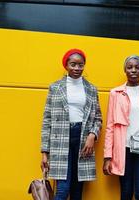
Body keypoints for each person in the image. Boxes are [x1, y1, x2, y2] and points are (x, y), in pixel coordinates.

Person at [41, 49, 102, 200]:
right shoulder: (55, 87)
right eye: (73, 64)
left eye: (80, 65)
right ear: (66, 65)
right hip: (60, 139)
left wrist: (92, 135)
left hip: (82, 139)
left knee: (77, 190)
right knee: (62, 189)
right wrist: (44, 152)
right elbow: (47, 119)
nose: (77, 68)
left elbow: (98, 118)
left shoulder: (91, 89)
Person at [103, 55, 139, 200]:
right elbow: (110, 126)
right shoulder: (115, 93)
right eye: (129, 67)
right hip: (123, 150)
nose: (133, 70)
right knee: (126, 192)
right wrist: (107, 156)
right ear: (125, 70)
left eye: (137, 67)